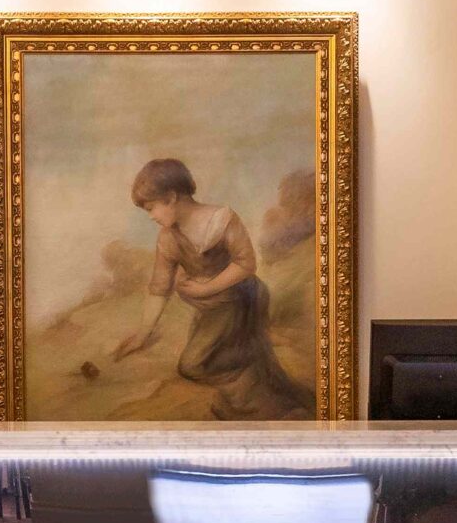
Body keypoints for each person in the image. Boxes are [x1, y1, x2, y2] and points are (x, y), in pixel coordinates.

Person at [110, 156, 315, 420]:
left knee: (193, 364)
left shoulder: (222, 219)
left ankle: (258, 398)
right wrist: (142, 334)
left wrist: (205, 290)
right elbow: (159, 287)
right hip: (212, 311)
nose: (151, 217)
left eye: (152, 208)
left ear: (171, 197)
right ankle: (245, 394)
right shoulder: (168, 238)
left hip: (242, 300)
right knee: (219, 358)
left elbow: (246, 264)